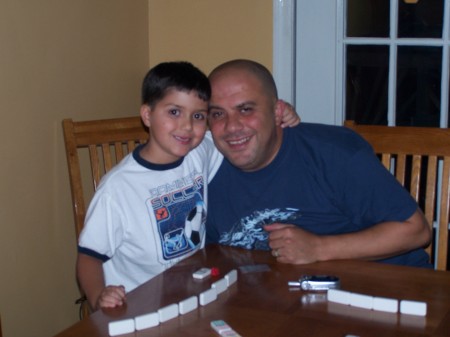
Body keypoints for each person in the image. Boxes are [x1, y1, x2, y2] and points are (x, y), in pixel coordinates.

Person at [76, 61, 299, 311]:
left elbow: (238, 135)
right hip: (137, 307)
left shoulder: (200, 150)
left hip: (189, 298)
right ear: (147, 115)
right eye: (174, 112)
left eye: (198, 116)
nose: (187, 126)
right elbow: (89, 257)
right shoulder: (117, 189)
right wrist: (98, 297)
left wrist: (281, 113)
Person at [205, 59, 432, 268]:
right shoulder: (203, 170)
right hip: (282, 300)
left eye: (246, 109)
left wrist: (318, 248)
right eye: (217, 114)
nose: (231, 127)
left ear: (277, 111)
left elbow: (416, 231)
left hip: (387, 290)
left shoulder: (334, 152)